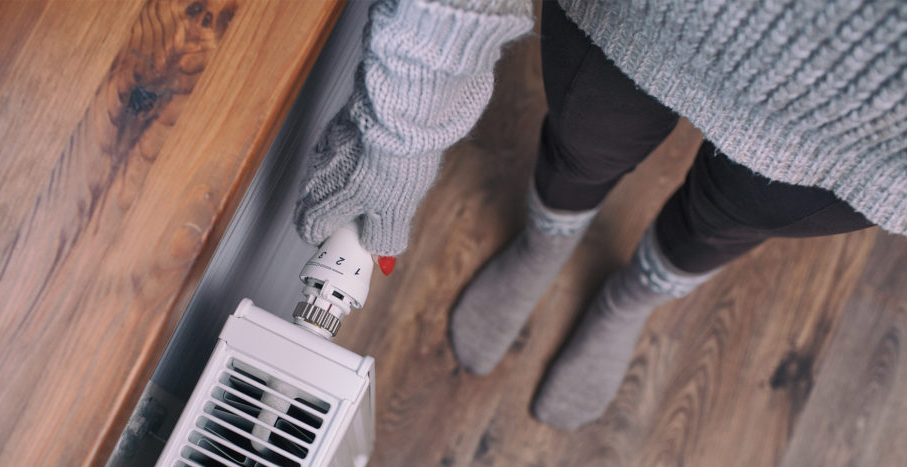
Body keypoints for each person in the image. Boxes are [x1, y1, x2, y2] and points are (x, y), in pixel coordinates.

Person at [293, 0, 906, 430]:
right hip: (647, 14)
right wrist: (399, 135)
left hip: (870, 141)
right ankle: (544, 244)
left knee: (728, 221)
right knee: (582, 146)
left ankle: (630, 300)